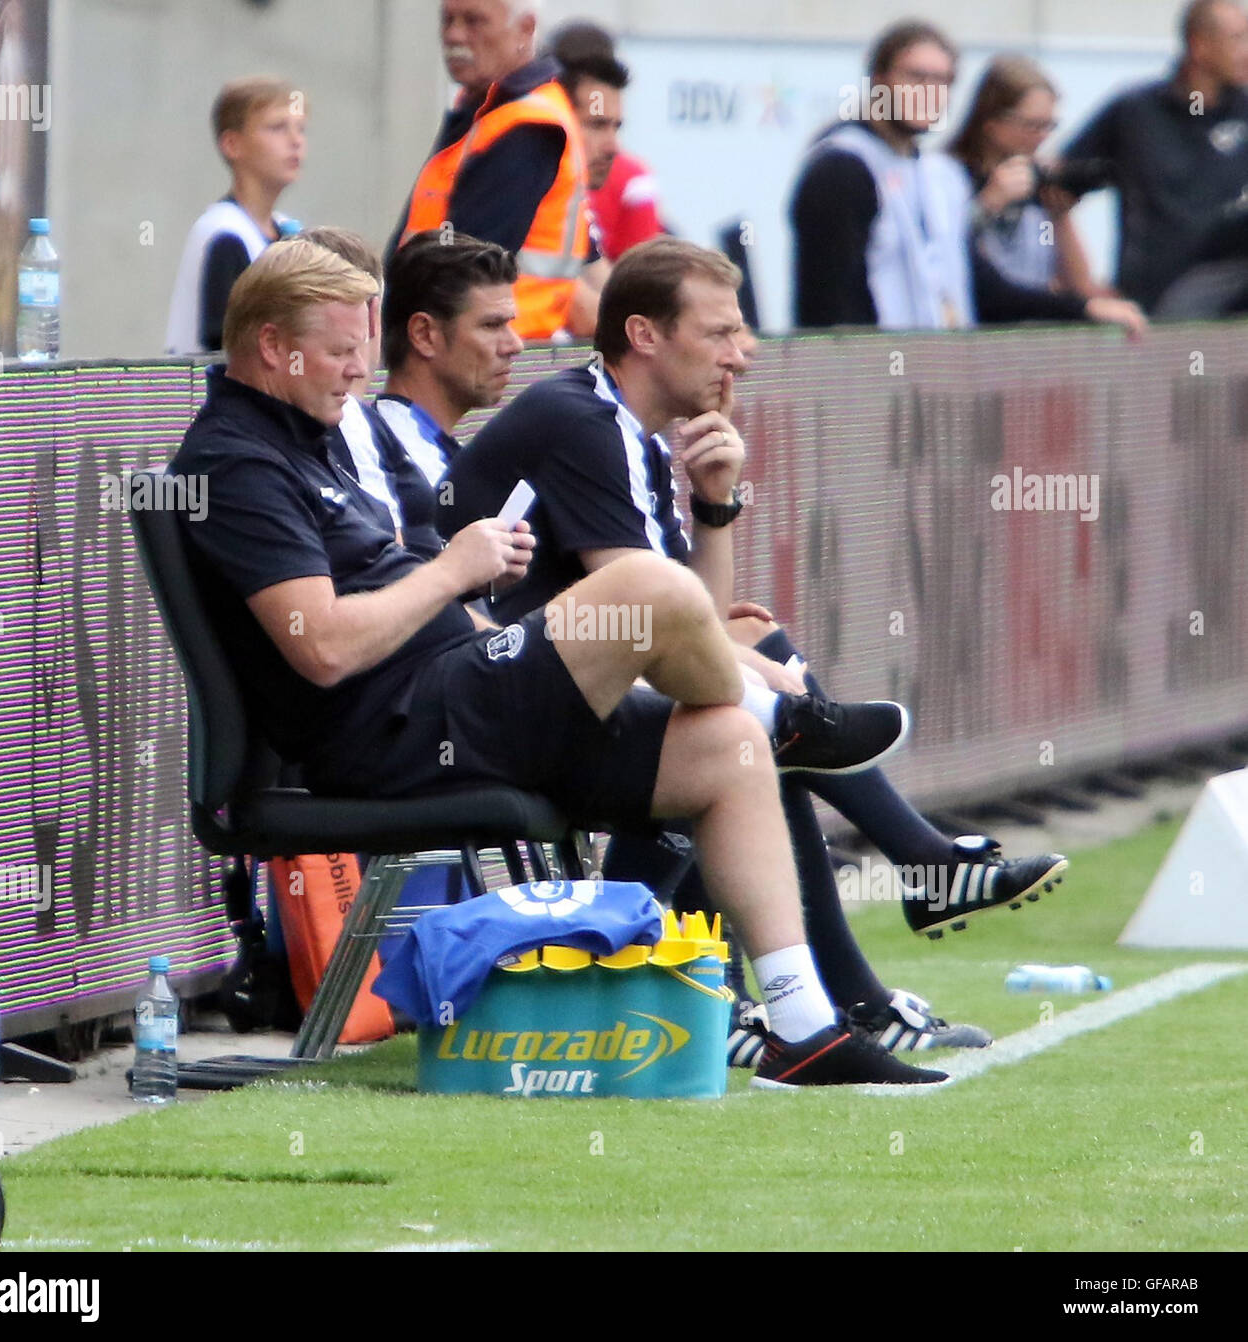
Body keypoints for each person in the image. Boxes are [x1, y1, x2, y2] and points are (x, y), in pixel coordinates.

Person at [168, 237, 944, 1087]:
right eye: (344, 351)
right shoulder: (236, 461)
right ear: (276, 349)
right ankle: (787, 714)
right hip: (400, 732)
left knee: (728, 746)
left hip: (459, 696)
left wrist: (464, 593)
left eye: (363, 348)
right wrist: (452, 571)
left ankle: (805, 1026)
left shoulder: (306, 434)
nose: (360, 372)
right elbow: (319, 648)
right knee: (644, 587)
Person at [440, 237, 1070, 1055]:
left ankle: (851, 948)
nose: (743, 355)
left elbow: (685, 615)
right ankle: (874, 886)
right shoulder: (582, 419)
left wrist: (715, 504)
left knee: (749, 678)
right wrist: (768, 676)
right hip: (484, 710)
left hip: (553, 688)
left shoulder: (621, 425)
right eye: (721, 333)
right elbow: (660, 616)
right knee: (750, 719)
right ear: (644, 335)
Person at [788, 21, 1144, 334]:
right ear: (879, 81)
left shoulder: (938, 175)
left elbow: (980, 287)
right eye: (915, 77)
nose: (927, 91)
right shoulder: (841, 166)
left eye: (941, 80)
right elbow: (828, 305)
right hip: (866, 382)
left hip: (930, 378)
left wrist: (1081, 308)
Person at [387, 0, 604, 341]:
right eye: (447, 20)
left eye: (474, 21)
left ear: (526, 29)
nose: (454, 35)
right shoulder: (488, 110)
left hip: (493, 358)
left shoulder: (527, 125)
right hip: (477, 350)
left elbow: (463, 268)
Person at [1057, 0, 1248, 314]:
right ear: (1199, 46)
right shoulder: (1135, 113)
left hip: (1235, 314)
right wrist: (1085, 289)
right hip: (1156, 310)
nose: (1246, 51)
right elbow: (1058, 189)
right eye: (1237, 38)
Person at [949, 56, 1116, 301]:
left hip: (1031, 317)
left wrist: (1059, 216)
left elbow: (1078, 285)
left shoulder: (1037, 184)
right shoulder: (950, 176)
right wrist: (987, 204)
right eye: (1032, 125)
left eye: (1049, 126)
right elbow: (942, 253)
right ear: (991, 122)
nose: (1041, 137)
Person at [165, 76, 306, 354]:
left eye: (301, 129)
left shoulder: (287, 231)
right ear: (232, 144)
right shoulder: (224, 234)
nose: (295, 141)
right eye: (277, 127)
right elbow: (226, 344)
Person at [547, 19, 666, 260]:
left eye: (616, 127)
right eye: (596, 125)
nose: (612, 147)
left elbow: (629, 285)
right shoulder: (520, 177)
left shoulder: (632, 179)